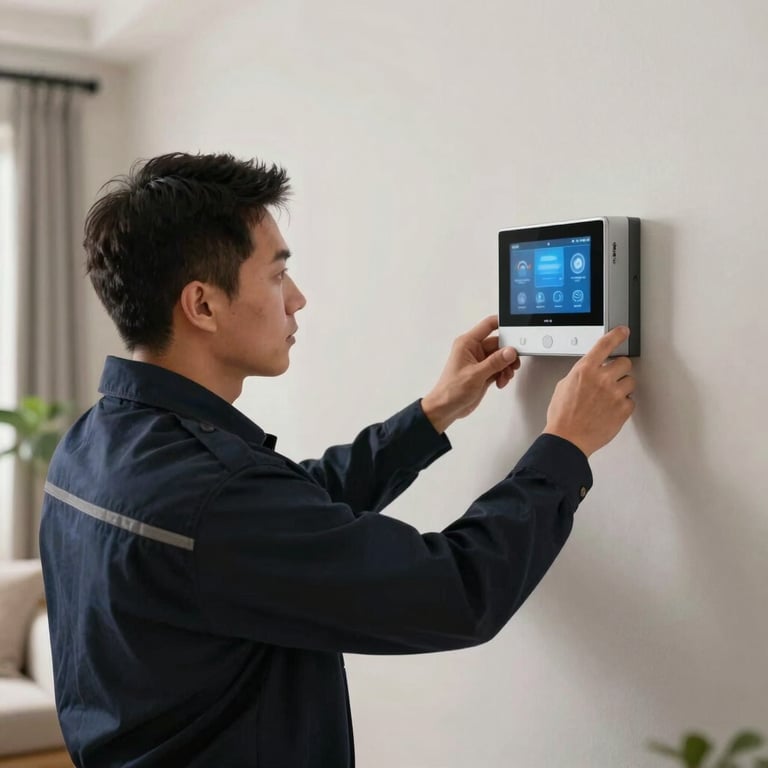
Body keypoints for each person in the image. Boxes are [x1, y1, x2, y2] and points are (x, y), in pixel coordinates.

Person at [40, 152, 635, 768]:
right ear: (203, 305)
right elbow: (456, 593)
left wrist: (432, 413)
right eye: (276, 276)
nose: (297, 299)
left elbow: (290, 510)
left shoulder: (94, 442)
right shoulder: (215, 499)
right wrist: (565, 447)